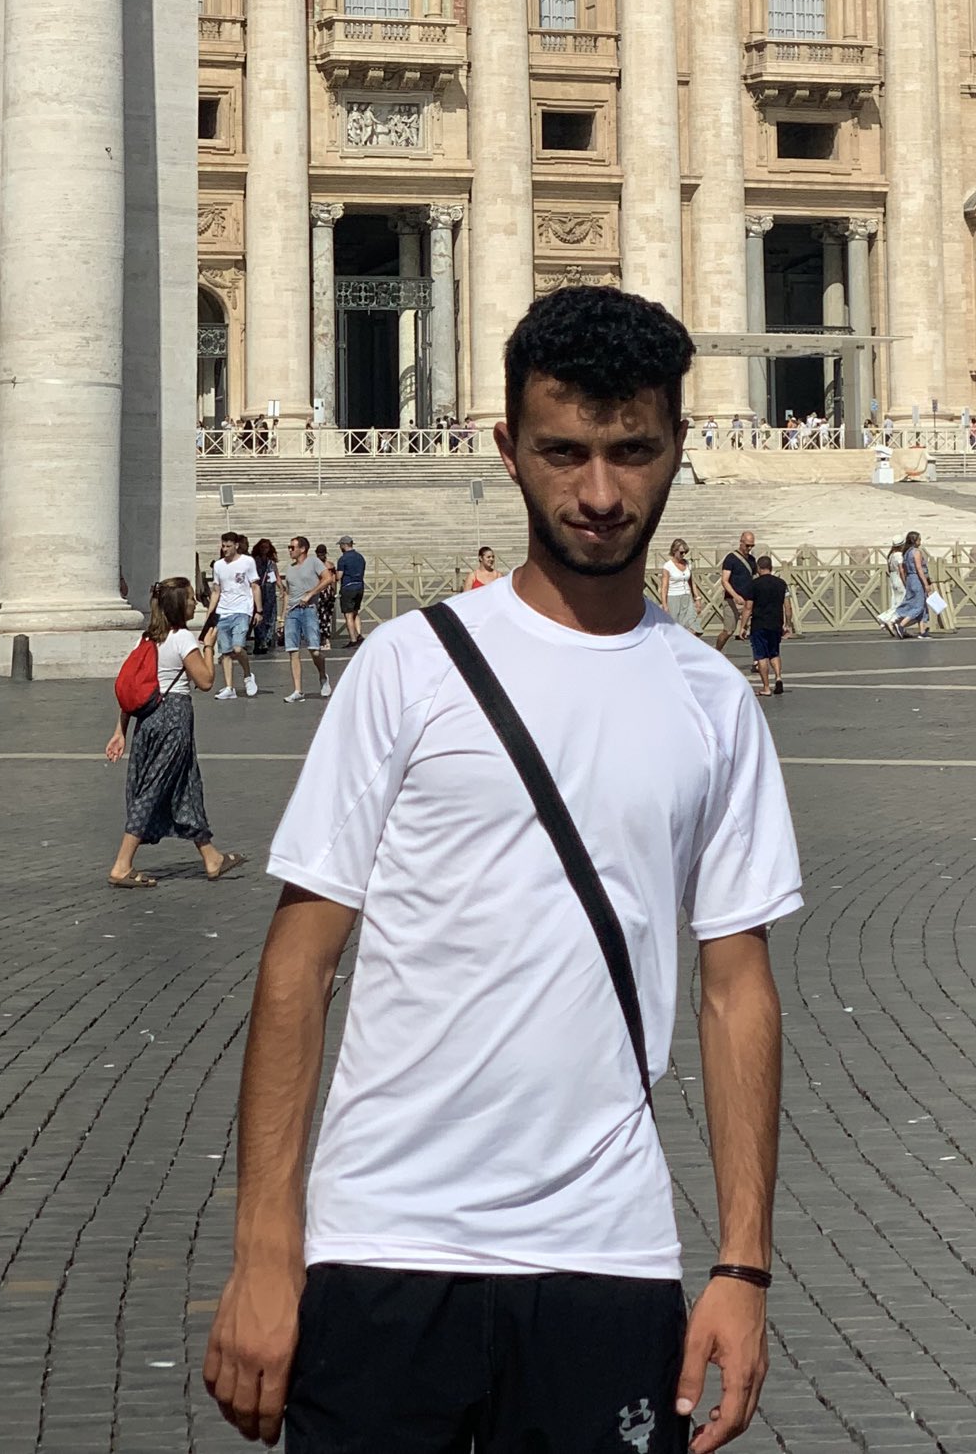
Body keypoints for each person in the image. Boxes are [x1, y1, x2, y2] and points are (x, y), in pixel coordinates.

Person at [204, 285, 800, 1453]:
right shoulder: (405, 668)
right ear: (506, 450)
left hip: (609, 1252)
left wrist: (742, 1263)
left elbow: (738, 990)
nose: (597, 491)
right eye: (563, 451)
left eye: (631, 452)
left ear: (679, 445)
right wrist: (265, 1251)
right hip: (384, 1242)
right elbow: (297, 967)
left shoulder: (714, 702)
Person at [105, 578, 249, 888]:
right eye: (189, 599)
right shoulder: (183, 639)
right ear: (177, 605)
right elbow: (206, 681)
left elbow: (134, 688)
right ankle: (122, 864)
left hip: (148, 721)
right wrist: (208, 646)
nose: (195, 603)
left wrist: (120, 731)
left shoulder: (147, 639)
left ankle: (211, 857)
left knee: (186, 785)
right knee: (154, 789)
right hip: (174, 719)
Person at [278, 536, 338, 704]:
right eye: (289, 547)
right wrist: (282, 618)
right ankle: (297, 690)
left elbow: (327, 578)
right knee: (293, 651)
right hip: (292, 612)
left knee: (314, 650)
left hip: (309, 609)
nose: (290, 550)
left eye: (292, 547)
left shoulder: (313, 562)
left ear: (302, 549)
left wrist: (311, 593)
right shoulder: (289, 569)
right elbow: (287, 594)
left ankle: (322, 675)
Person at [205, 532, 261, 700]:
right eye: (223, 546)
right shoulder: (218, 565)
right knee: (225, 652)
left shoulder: (247, 562)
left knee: (238, 648)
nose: (225, 549)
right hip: (223, 611)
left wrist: (259, 610)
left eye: (228, 546)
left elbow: (255, 586)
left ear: (236, 545)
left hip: (242, 609)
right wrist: (210, 614)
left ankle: (247, 675)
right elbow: (216, 591)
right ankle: (229, 687)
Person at [747, 555, 794, 696]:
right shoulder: (782, 583)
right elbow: (788, 607)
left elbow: (748, 607)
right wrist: (788, 624)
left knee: (761, 656)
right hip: (776, 623)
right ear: (771, 568)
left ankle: (766, 687)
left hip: (759, 623)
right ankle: (778, 677)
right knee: (774, 653)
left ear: (758, 568)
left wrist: (743, 626)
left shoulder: (754, 584)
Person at [716, 530, 758, 656]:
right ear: (741, 542)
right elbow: (724, 580)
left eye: (752, 545)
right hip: (732, 600)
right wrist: (735, 596)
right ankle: (716, 652)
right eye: (747, 545)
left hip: (748, 601)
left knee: (754, 631)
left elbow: (755, 577)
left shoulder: (752, 559)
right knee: (728, 631)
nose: (749, 548)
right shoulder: (731, 558)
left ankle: (757, 660)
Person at [893, 531, 932, 638]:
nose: (920, 541)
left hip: (910, 578)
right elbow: (919, 569)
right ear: (915, 541)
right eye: (919, 539)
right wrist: (926, 584)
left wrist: (906, 582)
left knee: (921, 604)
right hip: (917, 579)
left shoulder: (906, 552)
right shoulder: (916, 552)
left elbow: (904, 569)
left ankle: (922, 630)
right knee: (918, 606)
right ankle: (901, 625)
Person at [660, 538, 699, 632]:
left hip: (687, 597)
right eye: (681, 552)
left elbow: (691, 582)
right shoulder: (668, 566)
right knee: (676, 628)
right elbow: (664, 587)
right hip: (673, 598)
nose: (684, 555)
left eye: (685, 552)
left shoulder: (688, 563)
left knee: (694, 628)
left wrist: (697, 598)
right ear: (674, 551)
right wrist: (664, 605)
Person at [250, 538, 281, 656]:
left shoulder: (271, 562)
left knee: (270, 618)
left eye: (266, 548)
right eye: (262, 547)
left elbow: (276, 576)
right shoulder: (254, 561)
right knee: (259, 617)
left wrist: (281, 588)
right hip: (259, 590)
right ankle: (260, 642)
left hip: (270, 591)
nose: (264, 550)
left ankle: (267, 642)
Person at [335, 534, 367, 647]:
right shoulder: (360, 557)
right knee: (355, 612)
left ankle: (353, 639)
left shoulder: (343, 559)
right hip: (360, 586)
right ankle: (358, 634)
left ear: (344, 545)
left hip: (348, 587)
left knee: (348, 615)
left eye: (340, 545)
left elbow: (339, 576)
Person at [877, 539, 907, 635]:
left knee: (896, 601)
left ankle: (895, 624)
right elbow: (901, 569)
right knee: (902, 602)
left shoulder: (891, 555)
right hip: (899, 578)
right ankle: (886, 618)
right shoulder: (898, 555)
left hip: (893, 578)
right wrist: (905, 581)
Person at [312, 543, 339, 646]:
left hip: (321, 592)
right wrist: (334, 592)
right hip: (328, 592)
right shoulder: (330, 565)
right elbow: (333, 580)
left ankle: (323, 638)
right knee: (326, 616)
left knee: (321, 616)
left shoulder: (317, 565)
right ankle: (325, 638)